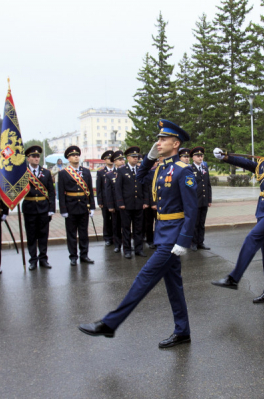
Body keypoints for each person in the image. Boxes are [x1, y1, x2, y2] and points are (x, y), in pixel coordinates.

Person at [78, 119, 198, 348]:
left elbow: (191, 210)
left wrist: (184, 240)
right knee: (174, 286)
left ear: (175, 143)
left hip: (173, 239)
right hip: (163, 233)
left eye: (163, 139)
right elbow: (140, 177)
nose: (158, 142)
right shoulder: (162, 167)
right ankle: (182, 331)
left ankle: (110, 323)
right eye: (158, 138)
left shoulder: (184, 170)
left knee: (144, 278)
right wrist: (151, 158)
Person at [210, 128, 264, 303]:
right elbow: (246, 163)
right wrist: (225, 157)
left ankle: (233, 278)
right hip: (262, 211)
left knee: (252, 239)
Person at [58, 145, 96, 266]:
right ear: (68, 158)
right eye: (73, 155)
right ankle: (73, 256)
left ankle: (84, 255)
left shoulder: (86, 172)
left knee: (84, 233)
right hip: (71, 206)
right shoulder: (63, 173)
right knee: (72, 234)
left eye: (77, 155)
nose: (76, 157)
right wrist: (63, 209)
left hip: (84, 206)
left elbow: (89, 189)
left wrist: (92, 206)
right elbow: (61, 192)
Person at [23, 146, 56, 270]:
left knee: (43, 235)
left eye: (38, 156)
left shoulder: (46, 172)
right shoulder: (23, 173)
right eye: (34, 156)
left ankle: (43, 259)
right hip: (29, 208)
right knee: (31, 236)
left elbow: (51, 192)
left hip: (43, 208)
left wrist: (52, 208)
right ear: (28, 158)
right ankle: (33, 260)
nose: (36, 159)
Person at [115, 146, 148, 259]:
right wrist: (120, 202)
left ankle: (138, 249)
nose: (136, 158)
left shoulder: (140, 170)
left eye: (137, 157)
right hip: (126, 205)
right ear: (128, 158)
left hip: (138, 204)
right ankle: (127, 250)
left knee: (138, 228)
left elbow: (145, 187)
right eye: (133, 157)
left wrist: (145, 201)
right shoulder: (121, 170)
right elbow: (118, 188)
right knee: (126, 228)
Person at [190, 146, 212, 251]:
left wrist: (209, 199)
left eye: (201, 155)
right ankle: (193, 242)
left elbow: (208, 185)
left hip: (203, 200)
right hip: (195, 201)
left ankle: (200, 242)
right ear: (193, 158)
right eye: (198, 156)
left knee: (202, 223)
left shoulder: (204, 168)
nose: (200, 157)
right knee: (195, 223)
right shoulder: (190, 169)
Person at [105, 151, 125, 253]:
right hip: (116, 205)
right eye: (119, 160)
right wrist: (110, 206)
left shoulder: (127, 172)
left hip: (126, 205)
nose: (122, 161)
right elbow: (108, 192)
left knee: (126, 226)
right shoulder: (110, 175)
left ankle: (127, 245)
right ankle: (117, 244)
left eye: (123, 159)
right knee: (116, 226)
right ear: (114, 162)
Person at [96, 150, 115, 246]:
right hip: (105, 199)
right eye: (108, 158)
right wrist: (99, 201)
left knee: (116, 220)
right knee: (107, 219)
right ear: (104, 160)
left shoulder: (117, 171)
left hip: (115, 200)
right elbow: (98, 188)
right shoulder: (101, 172)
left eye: (112, 158)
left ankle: (115, 237)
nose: (110, 160)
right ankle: (107, 237)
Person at [142, 157, 160, 249]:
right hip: (150, 203)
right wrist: (152, 203)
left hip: (160, 203)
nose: (156, 163)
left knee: (159, 223)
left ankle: (158, 240)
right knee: (149, 223)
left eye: (157, 161)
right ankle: (150, 240)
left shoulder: (161, 171)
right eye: (155, 161)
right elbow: (147, 189)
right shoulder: (149, 173)